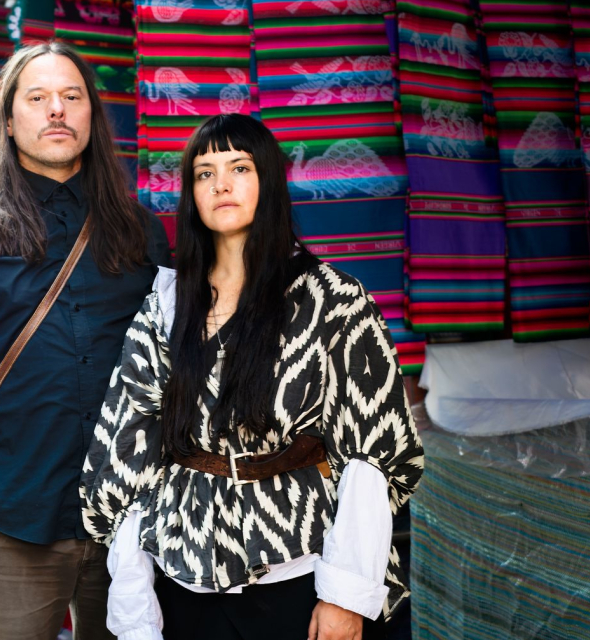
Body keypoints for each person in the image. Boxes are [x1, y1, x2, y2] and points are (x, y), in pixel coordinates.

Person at [80, 114, 426, 640]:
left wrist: (344, 595)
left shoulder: (333, 300)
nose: (220, 184)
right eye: (204, 173)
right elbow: (127, 453)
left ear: (268, 180)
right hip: (184, 572)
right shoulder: (166, 306)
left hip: (302, 567)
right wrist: (134, 596)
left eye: (239, 168)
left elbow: (371, 453)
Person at [0, 42, 171, 639]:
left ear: (92, 116)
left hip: (131, 524)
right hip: (10, 521)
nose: (57, 110)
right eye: (38, 97)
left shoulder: (142, 232)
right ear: (7, 119)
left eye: (72, 97)